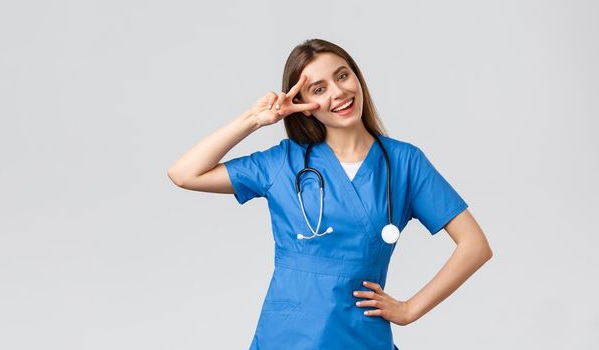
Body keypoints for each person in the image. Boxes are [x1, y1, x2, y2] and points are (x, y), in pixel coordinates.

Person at [167, 38, 493, 350]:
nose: (338, 92)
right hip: (285, 336)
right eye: (319, 89)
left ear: (357, 77)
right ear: (304, 106)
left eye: (342, 76)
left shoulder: (404, 163)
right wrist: (254, 120)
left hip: (360, 335)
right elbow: (184, 173)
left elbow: (475, 246)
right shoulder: (284, 162)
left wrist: (409, 310)